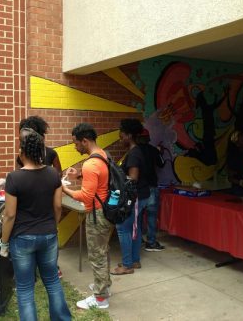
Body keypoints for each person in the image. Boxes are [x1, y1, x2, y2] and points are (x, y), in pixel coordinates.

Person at [0, 128, 71, 321]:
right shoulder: (53, 174)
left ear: (22, 152)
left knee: (25, 288)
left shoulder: (14, 178)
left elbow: (10, 215)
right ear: (41, 152)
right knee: (53, 282)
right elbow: (57, 207)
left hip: (22, 238)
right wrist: (52, 227)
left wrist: (4, 243)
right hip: (48, 235)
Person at [62, 123, 113, 310]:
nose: (75, 147)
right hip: (106, 212)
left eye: (76, 143)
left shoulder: (90, 164)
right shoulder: (102, 155)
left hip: (96, 214)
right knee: (102, 251)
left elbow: (85, 196)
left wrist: (64, 188)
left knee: (96, 256)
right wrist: (79, 175)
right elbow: (99, 178)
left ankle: (100, 299)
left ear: (85, 140)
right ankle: (104, 286)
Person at [18, 115, 63, 278]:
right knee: (48, 233)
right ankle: (52, 268)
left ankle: (41, 268)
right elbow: (58, 174)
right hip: (47, 200)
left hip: (31, 201)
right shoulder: (48, 154)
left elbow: (20, 174)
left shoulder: (50, 153)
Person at [111, 119, 150, 275]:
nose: (120, 140)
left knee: (123, 228)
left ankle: (127, 265)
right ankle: (134, 261)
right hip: (142, 196)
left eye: (121, 137)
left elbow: (133, 178)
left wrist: (116, 178)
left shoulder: (134, 154)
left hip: (135, 197)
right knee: (135, 227)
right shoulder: (137, 151)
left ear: (128, 135)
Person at [136, 128, 166, 252]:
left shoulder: (134, 151)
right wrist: (160, 152)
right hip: (152, 187)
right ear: (148, 139)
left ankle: (138, 240)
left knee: (137, 217)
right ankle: (151, 242)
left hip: (139, 188)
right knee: (152, 216)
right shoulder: (153, 150)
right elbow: (161, 164)